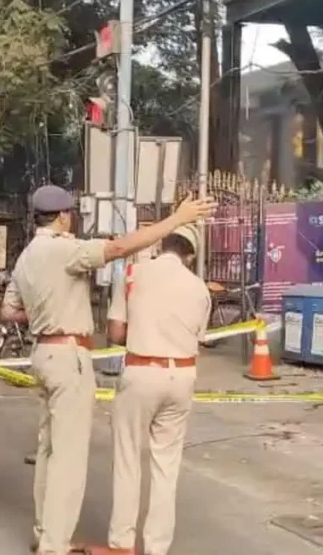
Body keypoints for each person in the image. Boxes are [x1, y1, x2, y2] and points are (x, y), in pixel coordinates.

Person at [1, 185, 216, 555]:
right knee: (68, 457)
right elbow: (117, 249)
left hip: (43, 354)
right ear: (65, 215)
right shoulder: (65, 250)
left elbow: (9, 311)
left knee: (49, 449)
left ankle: (46, 531)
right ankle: (55, 545)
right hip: (71, 356)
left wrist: (45, 314)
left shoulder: (26, 258)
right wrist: (176, 218)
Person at [105, 225, 211, 555]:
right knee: (166, 465)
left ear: (162, 244)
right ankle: (157, 548)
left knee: (127, 459)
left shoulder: (135, 273)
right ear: (190, 255)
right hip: (181, 376)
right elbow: (199, 339)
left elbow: (115, 333)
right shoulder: (200, 289)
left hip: (141, 371)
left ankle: (122, 543)